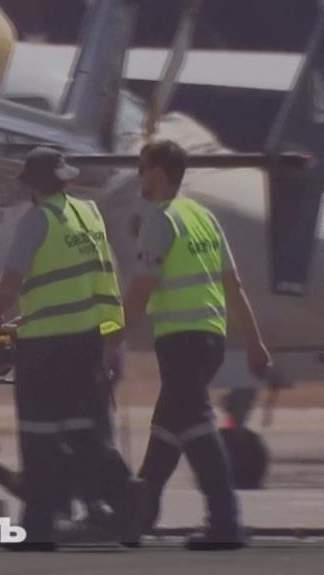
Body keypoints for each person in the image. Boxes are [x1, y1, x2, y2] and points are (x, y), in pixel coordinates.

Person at [0, 146, 141, 550]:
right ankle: (129, 508)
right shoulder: (88, 215)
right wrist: (110, 338)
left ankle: (38, 530)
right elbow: (105, 280)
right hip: (86, 344)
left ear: (32, 185)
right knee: (87, 436)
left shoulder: (37, 221)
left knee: (40, 439)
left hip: (45, 349)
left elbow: (12, 280)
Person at [117, 140, 272, 551]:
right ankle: (141, 513)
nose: (138, 177)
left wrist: (111, 337)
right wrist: (254, 342)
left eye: (142, 168)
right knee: (168, 425)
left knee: (198, 427)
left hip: (181, 339)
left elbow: (141, 288)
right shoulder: (203, 218)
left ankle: (225, 522)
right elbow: (233, 286)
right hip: (209, 338)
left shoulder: (161, 219)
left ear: (158, 172)